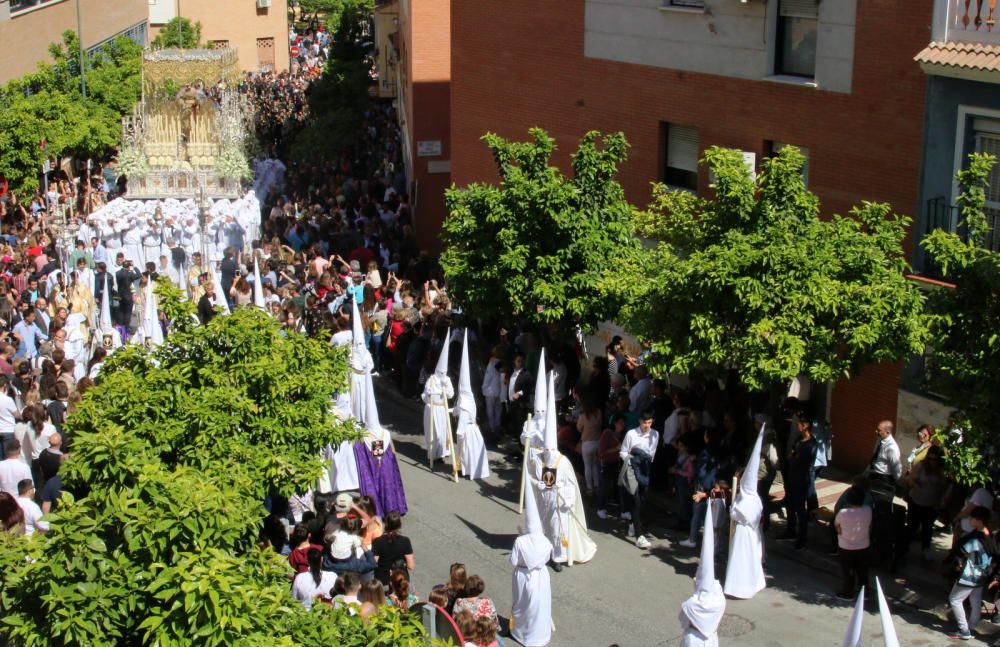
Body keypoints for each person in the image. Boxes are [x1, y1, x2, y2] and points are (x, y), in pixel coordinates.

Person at [529, 373, 596, 570]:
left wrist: (566, 499)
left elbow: (569, 484)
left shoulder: (563, 463)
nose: (548, 453)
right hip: (547, 500)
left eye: (551, 450)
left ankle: (559, 557)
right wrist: (540, 485)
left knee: (560, 531)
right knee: (547, 528)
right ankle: (547, 552)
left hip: (561, 502)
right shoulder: (542, 460)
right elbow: (538, 479)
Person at [509, 477, 552, 647]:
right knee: (540, 605)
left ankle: (521, 632)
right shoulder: (545, 541)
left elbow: (513, 561)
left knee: (522, 604)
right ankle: (539, 633)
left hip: (523, 575)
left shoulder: (521, 541)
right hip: (540, 576)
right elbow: (548, 557)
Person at [679, 497, 726, 647]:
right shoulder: (719, 601)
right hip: (711, 639)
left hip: (693, 639)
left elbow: (683, 621)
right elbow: (717, 588)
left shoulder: (691, 604)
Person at [947, 506, 994, 641]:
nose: (970, 520)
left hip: (970, 575)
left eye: (972, 518)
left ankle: (964, 630)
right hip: (982, 575)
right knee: (975, 600)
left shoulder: (976, 539)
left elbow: (961, 550)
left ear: (978, 521)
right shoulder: (990, 535)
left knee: (954, 599)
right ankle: (971, 627)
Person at [619, 410, 658, 549]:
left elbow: (651, 454)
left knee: (641, 499)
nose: (647, 425)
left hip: (645, 468)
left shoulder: (655, 434)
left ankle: (632, 523)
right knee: (634, 498)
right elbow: (623, 452)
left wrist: (643, 462)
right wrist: (632, 459)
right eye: (644, 422)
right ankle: (639, 536)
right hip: (631, 467)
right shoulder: (631, 434)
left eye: (649, 422)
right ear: (639, 422)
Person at [778, 414, 818, 550]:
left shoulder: (811, 443)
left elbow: (800, 460)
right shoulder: (799, 439)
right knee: (790, 505)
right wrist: (793, 456)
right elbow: (792, 455)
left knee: (800, 509)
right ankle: (790, 530)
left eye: (799, 424)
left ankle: (802, 537)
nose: (797, 426)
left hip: (802, 479)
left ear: (806, 425)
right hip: (792, 476)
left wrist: (794, 457)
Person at [905, 445, 947, 560]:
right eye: (930, 458)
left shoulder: (942, 470)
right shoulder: (921, 466)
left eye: (934, 459)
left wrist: (942, 499)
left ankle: (925, 549)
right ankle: (904, 548)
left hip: (931, 504)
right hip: (916, 501)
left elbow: (944, 486)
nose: (931, 461)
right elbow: (910, 479)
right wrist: (916, 486)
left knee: (927, 528)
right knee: (912, 526)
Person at [834, 485, 872, 600]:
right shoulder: (867, 510)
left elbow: (837, 526)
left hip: (846, 547)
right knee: (863, 570)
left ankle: (848, 593)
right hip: (863, 545)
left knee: (848, 571)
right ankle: (864, 593)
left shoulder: (843, 512)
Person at [421, 335, 453, 466]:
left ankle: (441, 453)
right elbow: (424, 395)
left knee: (441, 434)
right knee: (431, 433)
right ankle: (431, 454)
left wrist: (445, 388)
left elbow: (451, 395)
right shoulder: (432, 380)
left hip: (441, 409)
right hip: (431, 409)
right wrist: (428, 396)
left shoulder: (447, 380)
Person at [372, 510, 415, 586]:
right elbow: (411, 566)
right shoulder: (405, 541)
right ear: (400, 525)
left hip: (382, 581)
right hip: (400, 581)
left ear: (385, 524)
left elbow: (373, 563)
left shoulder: (377, 542)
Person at [452, 574, 501, 638]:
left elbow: (454, 620)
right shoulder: (488, 601)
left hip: (468, 636)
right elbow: (495, 621)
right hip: (486, 635)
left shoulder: (460, 602)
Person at [867, 420, 902, 489]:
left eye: (879, 430)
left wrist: (894, 482)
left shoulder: (892, 448)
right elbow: (875, 457)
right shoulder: (880, 440)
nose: (876, 431)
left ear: (887, 432)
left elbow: (896, 468)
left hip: (882, 479)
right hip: (873, 474)